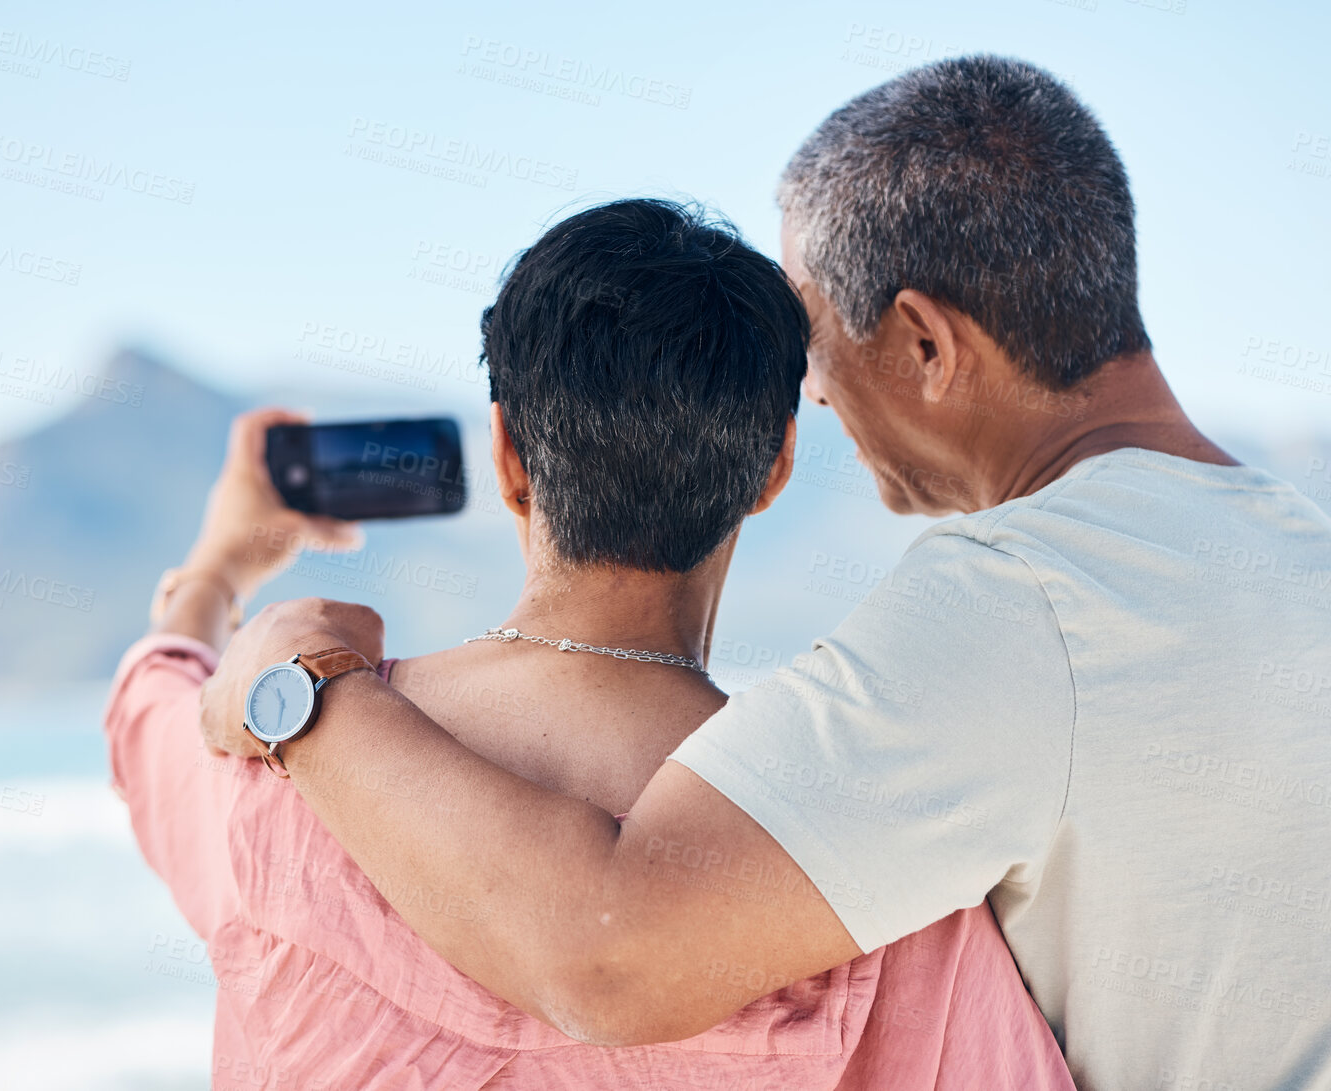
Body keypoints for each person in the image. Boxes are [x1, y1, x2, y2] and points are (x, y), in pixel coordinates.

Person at [197, 56, 1331, 1091]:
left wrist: (296, 672)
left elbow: (608, 952)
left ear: (925, 344)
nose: (820, 396)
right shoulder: (1295, 549)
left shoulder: (1018, 605)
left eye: (817, 351)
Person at [109, 200, 1074, 1087]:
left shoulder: (274, 759)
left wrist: (218, 569)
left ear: (509, 459)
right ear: (774, 466)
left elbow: (149, 713)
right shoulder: (855, 876)